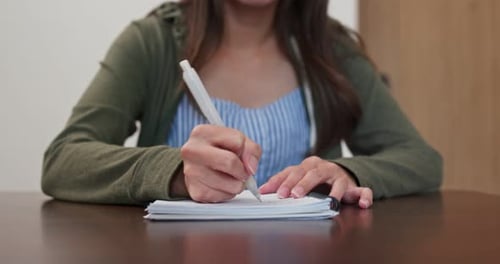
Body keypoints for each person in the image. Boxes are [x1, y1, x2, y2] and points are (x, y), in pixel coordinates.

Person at [42, 0, 442, 208]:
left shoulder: (332, 51)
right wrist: (174, 173)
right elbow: (63, 160)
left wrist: (346, 171)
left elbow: (421, 160)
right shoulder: (152, 43)